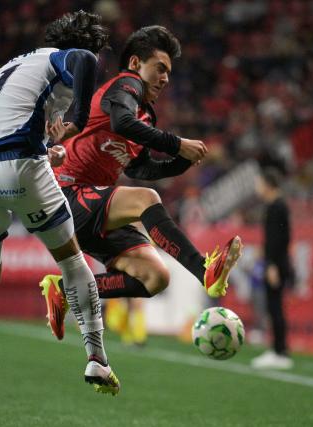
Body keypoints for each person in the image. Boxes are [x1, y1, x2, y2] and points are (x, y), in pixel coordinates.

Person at [0, 11, 119, 407]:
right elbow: (85, 62)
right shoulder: (64, 58)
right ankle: (97, 358)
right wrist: (77, 120)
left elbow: (11, 119)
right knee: (72, 261)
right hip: (18, 165)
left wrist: (48, 151)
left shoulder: (14, 66)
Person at [38, 25, 243, 341]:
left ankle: (64, 290)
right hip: (66, 194)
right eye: (160, 68)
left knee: (155, 277)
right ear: (135, 64)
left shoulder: (144, 115)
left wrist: (183, 160)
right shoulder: (124, 86)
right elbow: (122, 123)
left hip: (92, 208)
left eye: (169, 72)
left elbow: (142, 168)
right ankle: (205, 271)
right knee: (146, 199)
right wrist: (177, 144)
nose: (165, 78)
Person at [251, 167, 293, 370]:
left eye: (259, 183)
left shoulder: (278, 206)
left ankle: (280, 352)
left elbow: (281, 239)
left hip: (276, 264)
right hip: (273, 262)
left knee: (275, 307)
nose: (257, 187)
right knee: (272, 307)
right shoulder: (272, 206)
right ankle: (276, 349)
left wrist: (273, 264)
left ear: (268, 184)